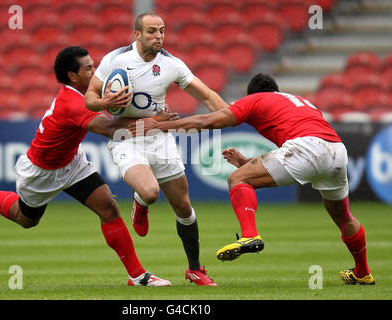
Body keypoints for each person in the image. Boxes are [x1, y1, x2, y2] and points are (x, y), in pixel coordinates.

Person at [130, 73, 375, 285]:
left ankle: (249, 235)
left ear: (252, 94)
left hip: (307, 147)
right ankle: (362, 272)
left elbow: (209, 121)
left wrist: (160, 127)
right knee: (344, 217)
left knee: (238, 180)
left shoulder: (255, 99)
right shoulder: (300, 101)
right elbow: (295, 140)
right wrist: (250, 163)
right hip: (336, 150)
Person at [0, 46, 171, 287]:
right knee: (25, 219)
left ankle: (137, 275)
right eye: (89, 67)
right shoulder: (72, 102)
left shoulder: (90, 90)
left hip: (72, 161)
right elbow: (112, 130)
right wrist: (153, 121)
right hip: (42, 171)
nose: (95, 70)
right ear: (73, 76)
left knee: (109, 208)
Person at [84, 13, 228, 286]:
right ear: (137, 34)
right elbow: (90, 98)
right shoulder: (117, 60)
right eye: (151, 31)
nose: (159, 36)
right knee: (150, 192)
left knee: (183, 206)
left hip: (159, 136)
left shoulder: (172, 65)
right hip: (126, 136)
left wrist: (234, 115)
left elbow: (206, 95)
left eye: (162, 31)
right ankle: (141, 202)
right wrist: (106, 100)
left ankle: (195, 268)